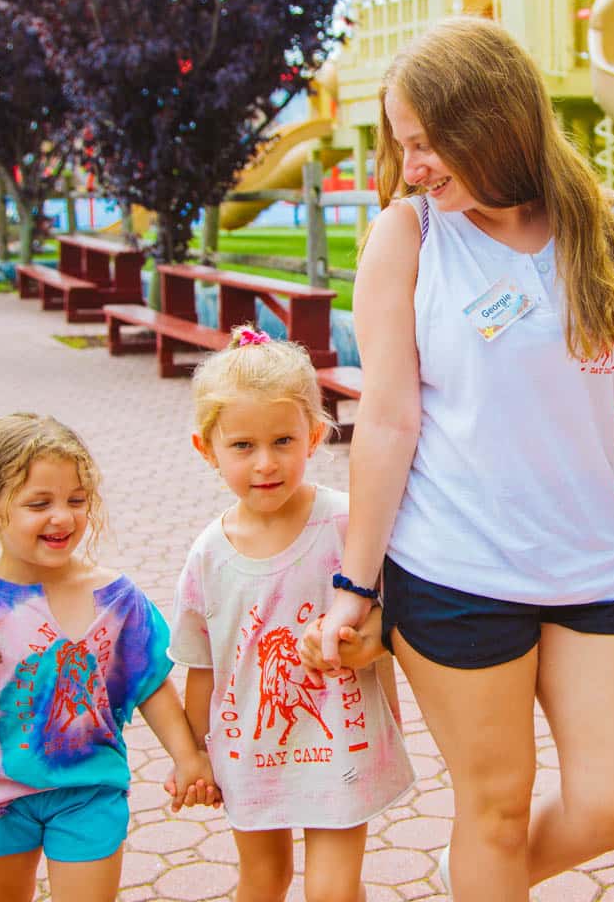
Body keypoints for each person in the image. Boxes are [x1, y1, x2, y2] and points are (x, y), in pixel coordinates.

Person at [301, 16, 614, 902]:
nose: (413, 169)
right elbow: (389, 422)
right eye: (403, 147)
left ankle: (475, 882)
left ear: (494, 129)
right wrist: (355, 590)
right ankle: (487, 871)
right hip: (453, 569)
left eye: (428, 144)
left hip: (587, 569)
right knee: (497, 812)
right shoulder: (410, 237)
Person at [0, 413, 214, 901]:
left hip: (90, 792)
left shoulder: (117, 599)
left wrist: (189, 757)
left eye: (76, 501)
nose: (63, 516)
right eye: (39, 503)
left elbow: (152, 686)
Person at [170, 327, 414, 902]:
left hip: (342, 744)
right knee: (263, 880)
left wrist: (394, 723)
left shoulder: (349, 524)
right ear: (206, 449)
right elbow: (201, 666)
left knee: (331, 889)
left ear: (314, 435)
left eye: (283, 440)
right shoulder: (208, 554)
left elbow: (390, 625)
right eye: (242, 446)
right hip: (249, 750)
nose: (265, 464)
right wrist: (194, 756)